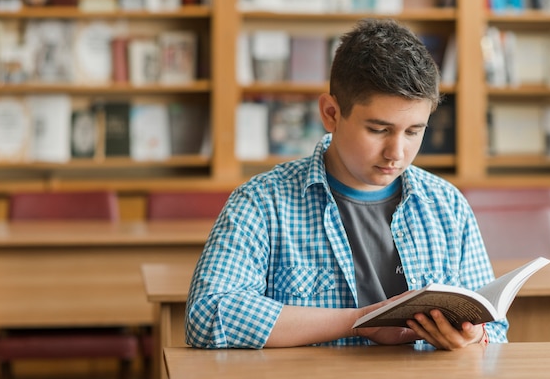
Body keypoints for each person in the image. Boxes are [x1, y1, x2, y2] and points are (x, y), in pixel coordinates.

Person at [185, 18, 508, 350]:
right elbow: (208, 316)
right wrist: (360, 321)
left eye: (414, 131)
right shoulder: (262, 203)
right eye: (379, 129)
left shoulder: (447, 206)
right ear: (331, 113)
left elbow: (495, 333)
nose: (396, 152)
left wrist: (473, 339)